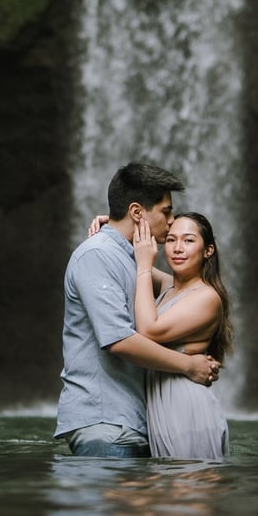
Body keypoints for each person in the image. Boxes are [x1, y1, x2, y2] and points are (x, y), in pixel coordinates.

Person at [54, 162, 221, 458]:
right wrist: (189, 365)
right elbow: (119, 340)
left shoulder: (131, 257)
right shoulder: (98, 255)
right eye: (166, 211)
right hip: (106, 424)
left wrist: (119, 228)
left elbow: (187, 292)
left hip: (136, 424)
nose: (171, 222)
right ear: (137, 212)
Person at [133, 210, 232, 460]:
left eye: (188, 240)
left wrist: (145, 267)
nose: (178, 248)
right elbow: (128, 250)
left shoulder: (207, 297)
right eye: (171, 240)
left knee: (190, 493)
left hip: (187, 409)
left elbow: (149, 330)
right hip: (162, 406)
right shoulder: (169, 289)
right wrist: (112, 223)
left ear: (208, 250)